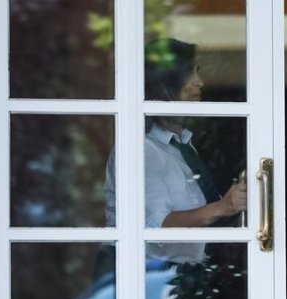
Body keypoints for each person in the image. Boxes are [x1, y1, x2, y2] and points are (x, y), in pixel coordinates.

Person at [102, 38, 247, 264]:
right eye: (189, 73)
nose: (199, 82)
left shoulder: (183, 145)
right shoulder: (141, 151)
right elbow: (155, 228)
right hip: (149, 284)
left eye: (198, 72)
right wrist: (222, 207)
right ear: (164, 83)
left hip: (182, 280)